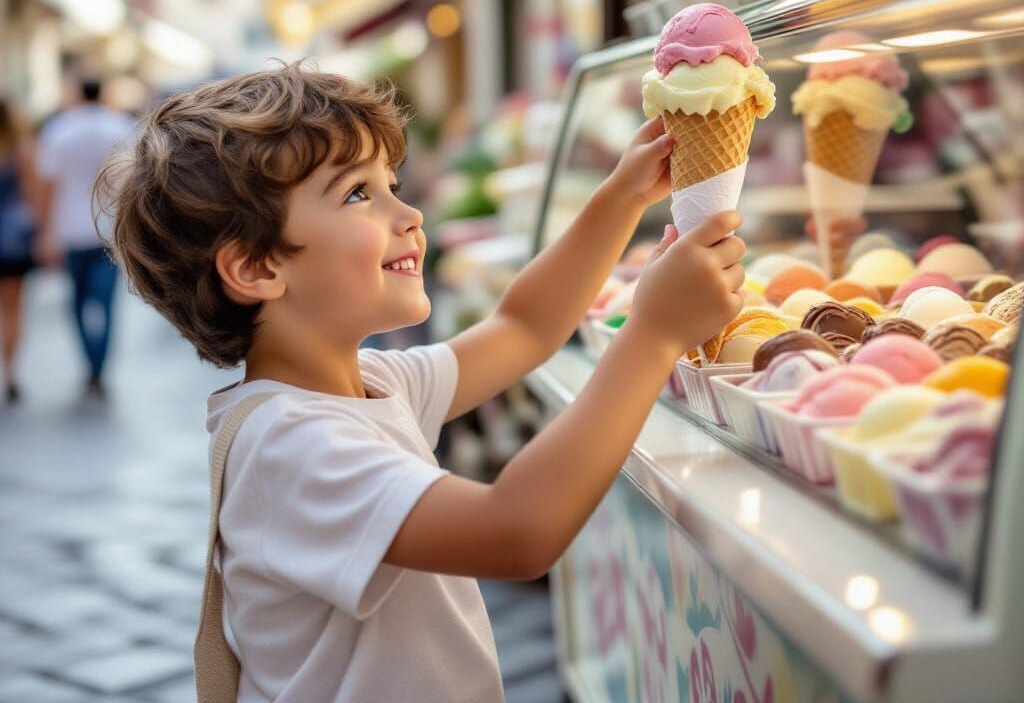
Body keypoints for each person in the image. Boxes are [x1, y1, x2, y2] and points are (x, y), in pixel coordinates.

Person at [96, 62, 744, 701]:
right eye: (358, 194)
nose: (408, 214)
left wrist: (623, 195)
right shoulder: (289, 446)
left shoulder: (368, 383)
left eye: (392, 183)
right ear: (257, 267)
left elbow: (522, 327)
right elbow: (517, 532)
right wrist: (653, 336)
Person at [36, 77, 135, 397]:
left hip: (71, 230)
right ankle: (99, 365)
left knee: (77, 302)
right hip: (109, 230)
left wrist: (46, 231)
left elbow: (48, 184)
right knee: (106, 303)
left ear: (79, 93)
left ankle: (90, 363)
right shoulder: (121, 127)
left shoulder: (59, 129)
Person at [0, 99, 37, 403]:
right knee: (12, 311)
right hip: (10, 242)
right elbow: (32, 196)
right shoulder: (20, 151)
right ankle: (10, 373)